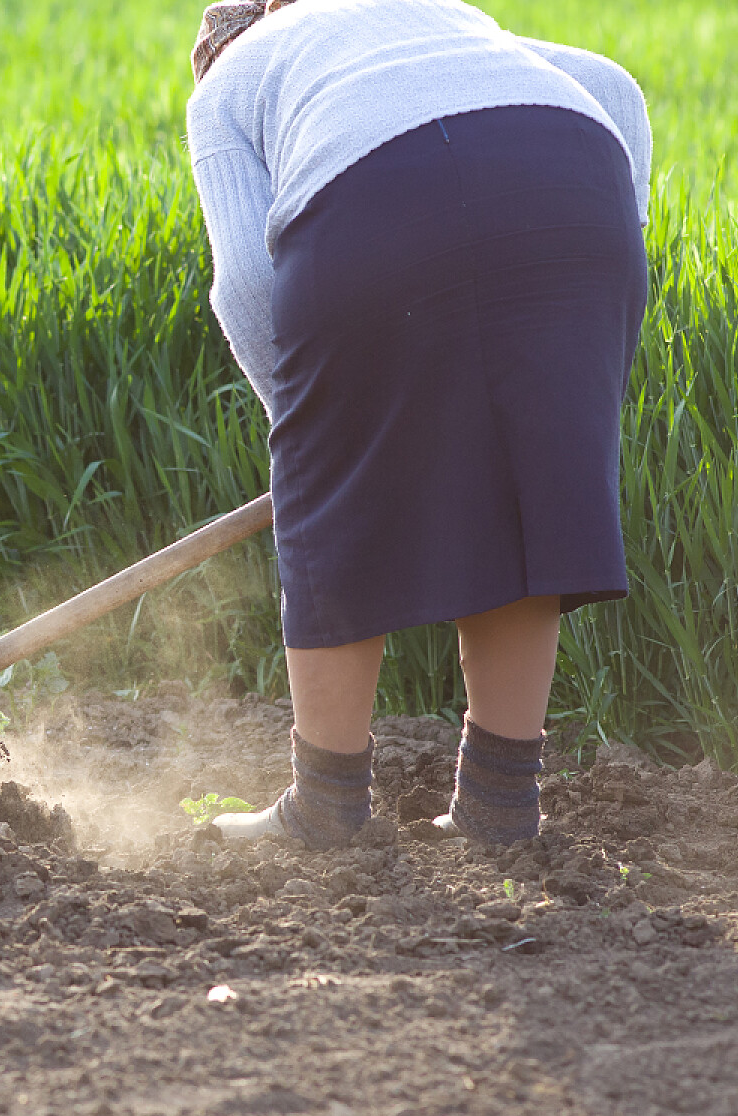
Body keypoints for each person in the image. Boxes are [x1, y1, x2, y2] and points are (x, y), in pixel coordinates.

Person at [188, 0, 651, 848]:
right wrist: (609, 299)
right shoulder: (438, 16)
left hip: (380, 204)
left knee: (333, 505)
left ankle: (324, 812)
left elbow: (249, 288)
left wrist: (314, 440)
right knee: (522, 496)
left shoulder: (230, 80)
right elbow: (612, 88)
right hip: (577, 193)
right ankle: (499, 810)